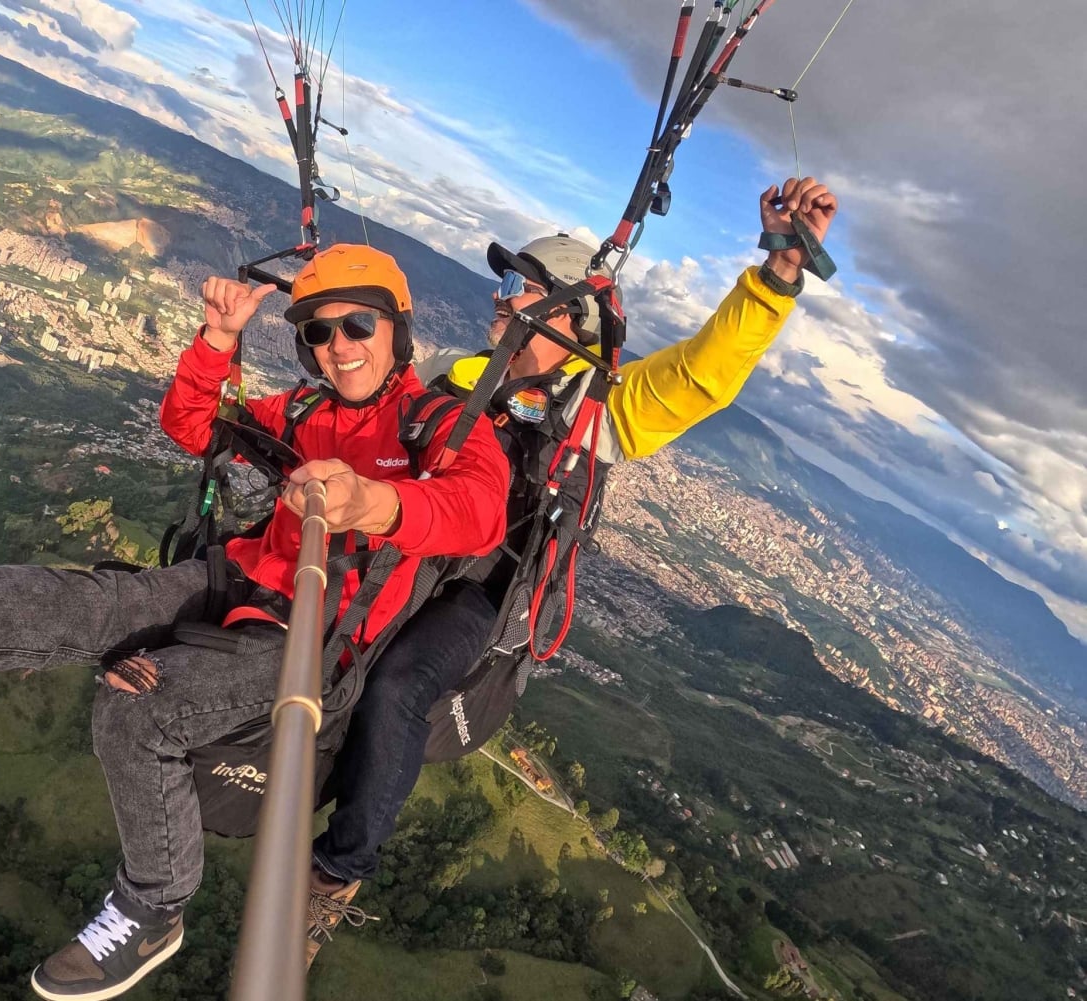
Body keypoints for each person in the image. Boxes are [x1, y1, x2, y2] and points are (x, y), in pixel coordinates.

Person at [0, 243, 510, 1001]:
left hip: (314, 644)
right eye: (318, 333)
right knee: (95, 602)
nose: (338, 347)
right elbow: (193, 427)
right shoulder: (306, 410)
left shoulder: (437, 428)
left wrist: (375, 501)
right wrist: (217, 341)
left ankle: (152, 903)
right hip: (237, 580)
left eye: (357, 325)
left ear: (396, 330)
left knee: (137, 704)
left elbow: (479, 511)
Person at [302, 178, 840, 963]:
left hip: (486, 595)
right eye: (503, 285)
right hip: (420, 554)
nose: (500, 300)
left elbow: (703, 374)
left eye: (519, 288)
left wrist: (780, 268)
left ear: (569, 317)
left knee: (398, 683)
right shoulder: (465, 378)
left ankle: (335, 874)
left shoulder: (605, 412)